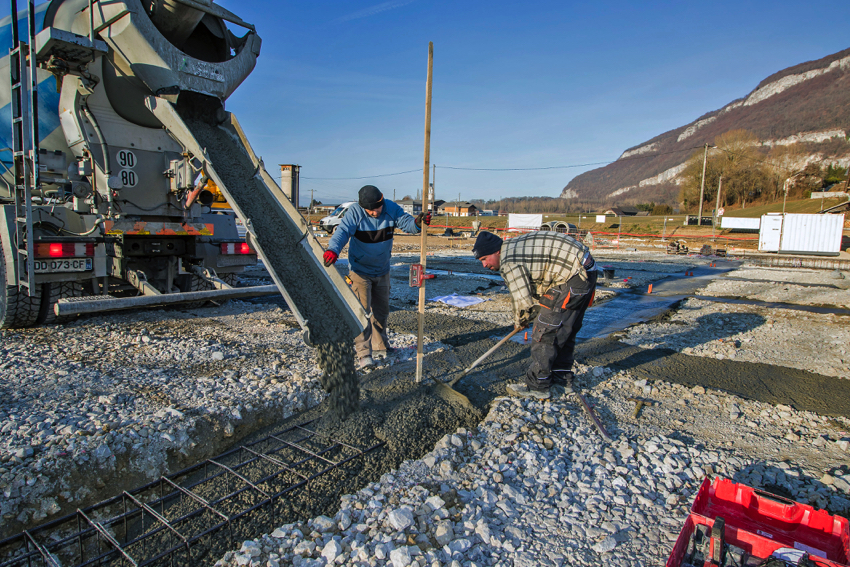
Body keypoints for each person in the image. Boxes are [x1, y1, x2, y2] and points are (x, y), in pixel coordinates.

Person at [472, 230, 597, 398]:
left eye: (484, 259)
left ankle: (539, 386)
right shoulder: (514, 247)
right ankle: (562, 381)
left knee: (544, 332)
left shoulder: (509, 260)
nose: (484, 265)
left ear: (496, 251)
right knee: (563, 330)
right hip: (586, 272)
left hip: (573, 276)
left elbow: (522, 301)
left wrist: (520, 320)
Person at [322, 185, 431, 369]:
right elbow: (342, 232)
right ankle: (364, 354)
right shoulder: (355, 213)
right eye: (369, 210)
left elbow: (407, 224)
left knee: (381, 311)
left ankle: (380, 346)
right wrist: (333, 249)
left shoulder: (391, 209)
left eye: (375, 209)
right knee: (361, 312)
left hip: (382, 270)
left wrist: (418, 223)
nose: (373, 213)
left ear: (381, 202)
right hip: (359, 272)